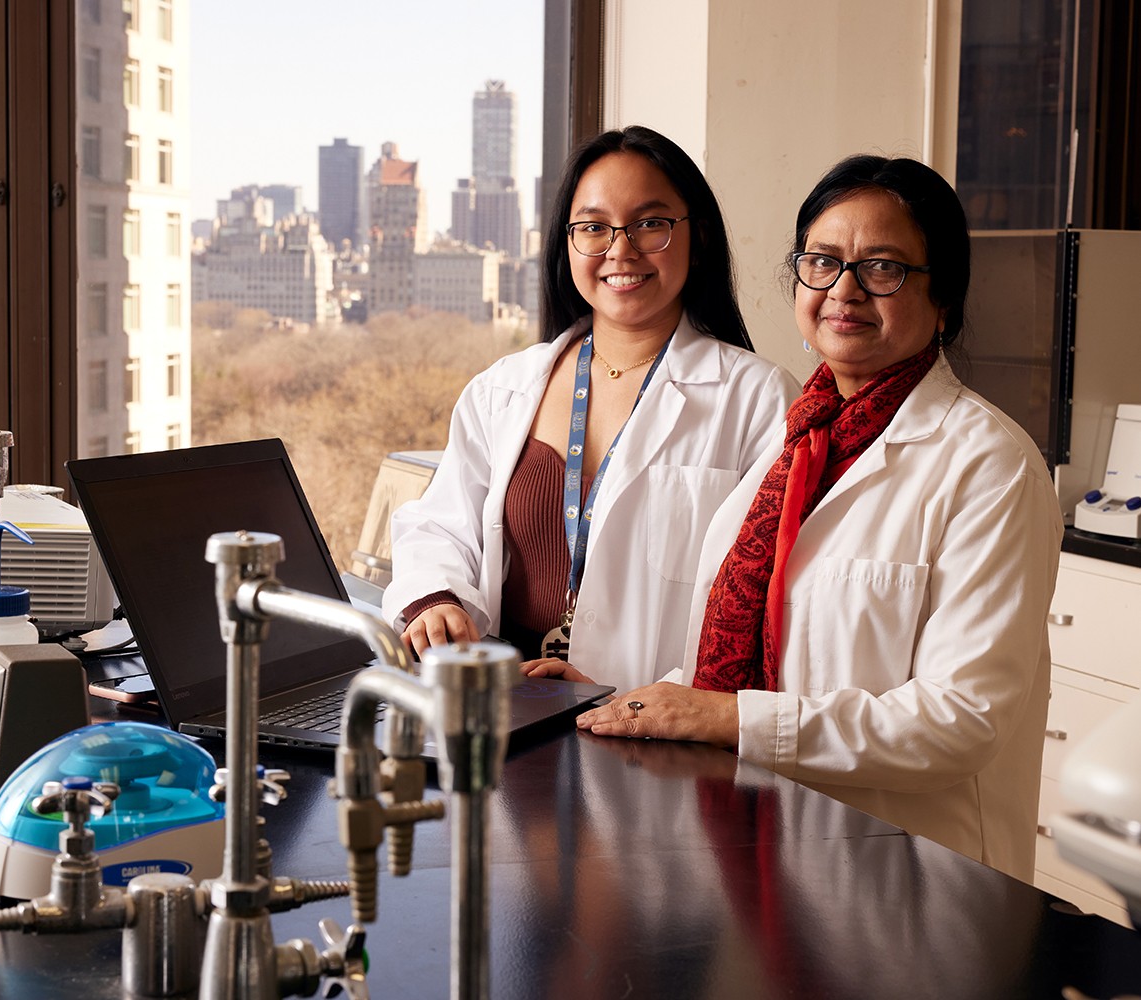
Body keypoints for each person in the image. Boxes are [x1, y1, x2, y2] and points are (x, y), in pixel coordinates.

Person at [573, 154, 1063, 882]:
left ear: (945, 301)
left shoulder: (989, 463)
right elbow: (748, 650)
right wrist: (617, 699)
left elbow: (961, 720)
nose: (845, 290)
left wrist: (731, 721)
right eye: (823, 262)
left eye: (885, 268)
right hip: (774, 858)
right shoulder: (798, 442)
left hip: (918, 887)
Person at [382, 126, 799, 692]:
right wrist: (436, 599)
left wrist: (632, 697)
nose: (620, 250)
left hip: (658, 727)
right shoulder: (502, 389)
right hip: (512, 712)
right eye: (594, 228)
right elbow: (439, 524)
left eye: (650, 224)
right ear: (567, 242)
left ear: (696, 237)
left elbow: (761, 603)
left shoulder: (759, 399)